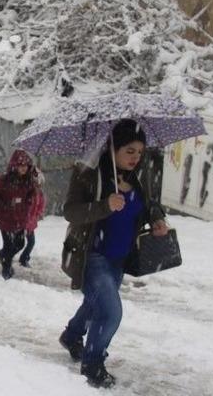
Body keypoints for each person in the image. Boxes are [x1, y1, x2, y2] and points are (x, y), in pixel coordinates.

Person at [58, 119, 169, 389]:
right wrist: (104, 205)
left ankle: (72, 335)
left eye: (140, 152)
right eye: (129, 151)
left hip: (119, 258)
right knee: (110, 313)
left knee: (95, 303)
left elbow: (147, 206)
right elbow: (70, 211)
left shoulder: (138, 178)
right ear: (113, 148)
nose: (136, 157)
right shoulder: (89, 173)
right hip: (92, 256)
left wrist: (155, 218)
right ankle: (93, 364)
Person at [0, 149, 37, 280]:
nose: (24, 168)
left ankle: (3, 255)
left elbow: (31, 194)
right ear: (15, 165)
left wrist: (27, 203)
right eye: (21, 165)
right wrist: (3, 205)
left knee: (20, 244)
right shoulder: (5, 179)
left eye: (26, 165)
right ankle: (6, 270)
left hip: (20, 219)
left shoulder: (28, 180)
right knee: (9, 244)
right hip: (5, 218)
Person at [19, 168, 46, 268]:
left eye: (39, 184)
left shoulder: (40, 194)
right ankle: (7, 255)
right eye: (36, 184)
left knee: (31, 242)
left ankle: (23, 258)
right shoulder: (26, 193)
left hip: (30, 223)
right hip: (23, 222)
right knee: (19, 243)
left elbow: (41, 205)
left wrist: (39, 214)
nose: (38, 186)